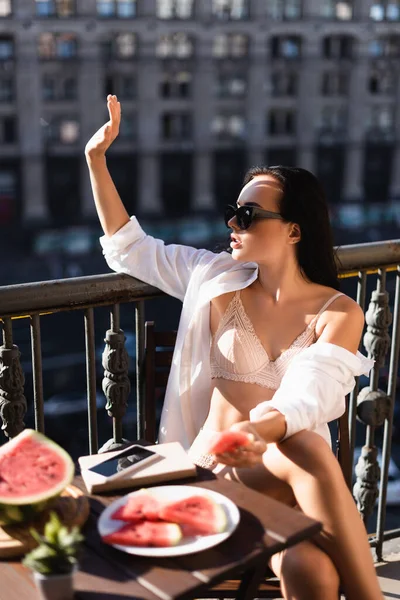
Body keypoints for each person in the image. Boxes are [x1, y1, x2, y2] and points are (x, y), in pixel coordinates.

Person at [85, 95, 383, 600]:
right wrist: (96, 159)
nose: (232, 224)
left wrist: (258, 428)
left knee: (311, 566)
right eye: (232, 212)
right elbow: (129, 248)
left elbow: (314, 392)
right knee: (307, 448)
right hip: (211, 473)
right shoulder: (214, 279)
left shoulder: (340, 312)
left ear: (293, 230)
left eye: (247, 214)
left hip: (286, 485)